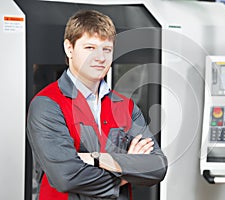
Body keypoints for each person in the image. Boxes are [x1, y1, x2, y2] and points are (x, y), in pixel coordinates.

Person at [26, 9, 168, 200]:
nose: (100, 57)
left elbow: (157, 166)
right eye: (90, 48)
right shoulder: (47, 105)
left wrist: (97, 159)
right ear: (69, 48)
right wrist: (128, 171)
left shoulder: (126, 107)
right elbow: (67, 177)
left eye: (106, 49)